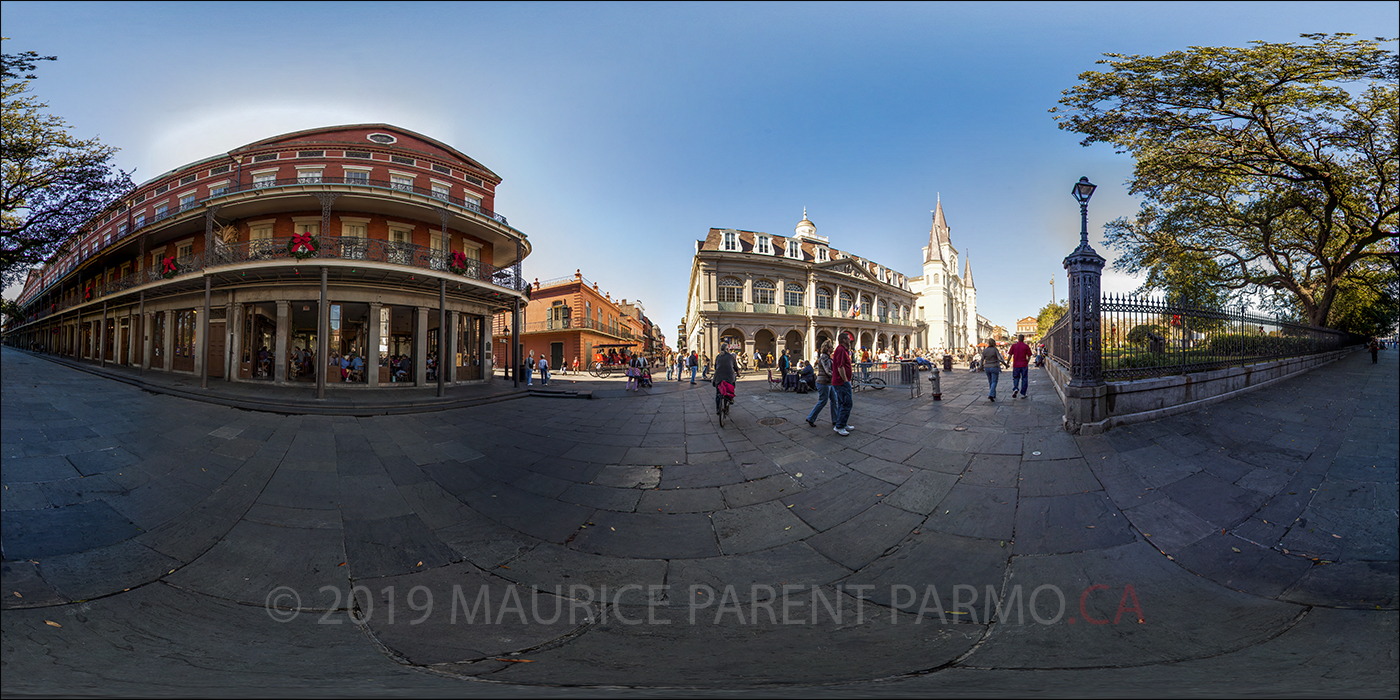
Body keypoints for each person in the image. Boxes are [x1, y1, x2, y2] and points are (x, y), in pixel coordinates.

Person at [806, 341, 836, 427]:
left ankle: (835, 419)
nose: (833, 348)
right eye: (831, 347)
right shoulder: (824, 357)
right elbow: (828, 371)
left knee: (834, 400)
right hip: (823, 382)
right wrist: (836, 376)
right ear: (827, 348)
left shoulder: (828, 357)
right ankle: (811, 418)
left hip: (829, 382)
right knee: (823, 401)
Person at [830, 333, 854, 435]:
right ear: (844, 340)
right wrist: (845, 381)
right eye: (848, 339)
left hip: (840, 381)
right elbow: (840, 367)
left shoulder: (842, 350)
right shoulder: (840, 350)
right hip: (841, 382)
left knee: (842, 403)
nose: (850, 340)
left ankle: (842, 423)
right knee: (847, 403)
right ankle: (840, 426)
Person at [712, 342, 738, 417]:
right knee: (731, 386)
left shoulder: (718, 357)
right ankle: (730, 399)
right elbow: (735, 367)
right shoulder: (730, 357)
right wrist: (738, 373)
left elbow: (715, 367)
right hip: (729, 378)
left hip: (718, 378)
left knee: (718, 394)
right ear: (727, 349)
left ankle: (717, 409)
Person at [1008, 333, 1033, 399]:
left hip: (1016, 365)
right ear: (1024, 339)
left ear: (1018, 339)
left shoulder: (1014, 346)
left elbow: (1010, 355)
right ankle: (1023, 393)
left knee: (1016, 377)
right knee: (1024, 378)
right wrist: (1027, 362)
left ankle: (1015, 388)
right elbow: (1030, 356)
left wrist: (1007, 363)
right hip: (1024, 364)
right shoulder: (1026, 346)